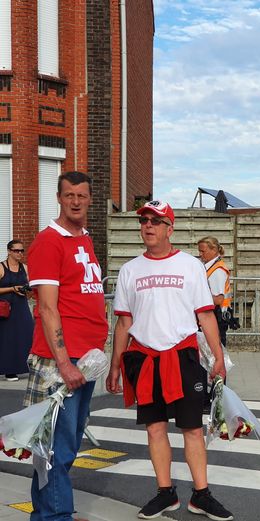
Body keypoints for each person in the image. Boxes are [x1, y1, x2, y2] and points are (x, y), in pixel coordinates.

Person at [106, 200, 233, 520]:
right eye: (144, 220)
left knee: (192, 428)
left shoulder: (190, 266)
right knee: (155, 428)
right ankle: (166, 493)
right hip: (145, 358)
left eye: (156, 221)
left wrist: (218, 357)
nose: (148, 225)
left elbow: (205, 315)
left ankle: (201, 495)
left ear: (169, 228)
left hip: (183, 356)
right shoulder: (130, 270)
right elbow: (123, 323)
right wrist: (114, 366)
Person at [24, 171, 109, 521]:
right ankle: (55, 516)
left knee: (64, 444)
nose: (75, 201)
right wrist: (64, 362)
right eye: (69, 195)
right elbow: (46, 307)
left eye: (82, 196)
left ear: (90, 200)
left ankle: (47, 514)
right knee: (56, 447)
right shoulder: (49, 241)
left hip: (84, 359)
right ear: (59, 198)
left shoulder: (85, 239)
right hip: (62, 360)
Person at [0, 240, 33, 381]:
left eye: (21, 251)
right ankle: (9, 370)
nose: (19, 253)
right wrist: (12, 289)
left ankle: (23, 366)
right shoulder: (1, 267)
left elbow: (30, 287)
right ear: (9, 251)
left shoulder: (24, 268)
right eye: (16, 251)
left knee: (26, 333)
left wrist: (27, 290)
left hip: (21, 306)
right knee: (7, 338)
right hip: (5, 308)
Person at [197, 236, 233, 348]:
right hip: (215, 316)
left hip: (216, 316)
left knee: (214, 355)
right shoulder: (211, 267)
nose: (200, 254)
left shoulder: (217, 271)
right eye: (199, 251)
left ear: (213, 250)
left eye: (203, 251)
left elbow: (218, 299)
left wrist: (196, 298)